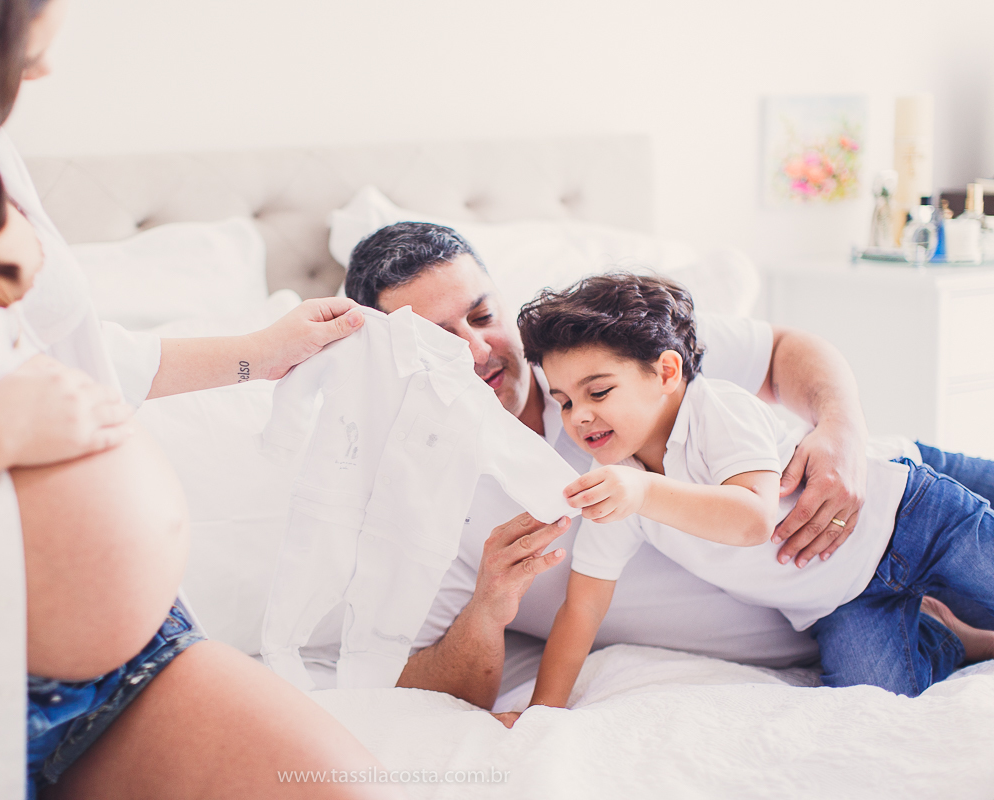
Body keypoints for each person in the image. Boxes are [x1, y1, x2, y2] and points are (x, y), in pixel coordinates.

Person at [0, 1, 403, 798]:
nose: (43, 71)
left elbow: (71, 359)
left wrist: (258, 353)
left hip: (133, 666)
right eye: (20, 51)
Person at [342, 221, 994, 709]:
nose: (475, 349)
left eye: (483, 315)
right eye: (434, 338)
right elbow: (535, 629)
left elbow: (785, 351)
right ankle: (950, 632)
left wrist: (842, 429)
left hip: (895, 496)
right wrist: (494, 613)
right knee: (883, 692)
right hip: (835, 605)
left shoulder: (605, 346)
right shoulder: (427, 492)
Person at [505, 273, 994, 721]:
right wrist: (541, 711)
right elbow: (582, 607)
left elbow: (753, 518)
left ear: (666, 373)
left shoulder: (715, 410)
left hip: (911, 521)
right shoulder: (617, 483)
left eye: (598, 392)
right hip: (840, 603)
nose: (579, 416)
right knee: (873, 700)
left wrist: (644, 491)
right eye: (565, 401)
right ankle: (949, 634)